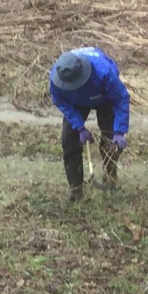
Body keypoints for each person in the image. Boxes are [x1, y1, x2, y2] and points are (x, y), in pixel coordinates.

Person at [48, 46, 130, 202]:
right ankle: (76, 190)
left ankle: (110, 179)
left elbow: (121, 99)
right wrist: (79, 127)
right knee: (69, 141)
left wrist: (119, 131)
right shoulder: (57, 79)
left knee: (110, 141)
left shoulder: (105, 73)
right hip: (76, 102)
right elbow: (61, 102)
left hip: (104, 97)